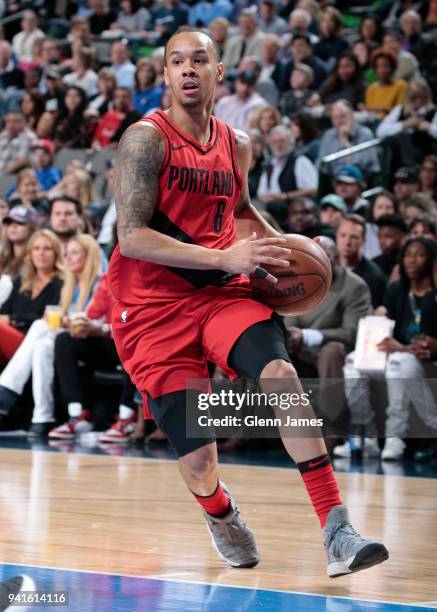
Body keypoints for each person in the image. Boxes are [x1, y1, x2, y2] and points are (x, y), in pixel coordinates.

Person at [107, 27, 388, 576]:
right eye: (176, 62)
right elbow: (132, 237)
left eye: (199, 61)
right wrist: (225, 258)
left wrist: (283, 250)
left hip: (219, 294)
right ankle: (221, 514)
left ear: (218, 73)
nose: (188, 70)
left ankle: (338, 530)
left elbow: (239, 209)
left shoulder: (237, 144)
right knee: (199, 457)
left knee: (281, 374)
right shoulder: (146, 140)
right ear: (164, 75)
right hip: (149, 307)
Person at [337, 237, 436, 461]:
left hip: (421, 361)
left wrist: (401, 348)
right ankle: (366, 437)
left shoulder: (434, 295)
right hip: (397, 353)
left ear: (430, 260)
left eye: (419, 255)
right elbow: (384, 326)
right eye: (408, 254)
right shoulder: (396, 290)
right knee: (353, 363)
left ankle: (394, 437)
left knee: (398, 363)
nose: (412, 260)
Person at [0, 234, 102, 435]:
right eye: (68, 253)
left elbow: (90, 320)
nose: (70, 257)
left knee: (39, 325)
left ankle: (6, 388)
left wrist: (17, 319)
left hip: (83, 341)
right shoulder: (64, 285)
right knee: (40, 345)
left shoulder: (71, 283)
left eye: (75, 253)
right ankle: (42, 416)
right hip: (52, 339)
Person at [285, 236, 371, 431]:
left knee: (332, 352)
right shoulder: (298, 278)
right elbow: (289, 319)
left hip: (333, 352)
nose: (318, 261)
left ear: (335, 258)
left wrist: (305, 336)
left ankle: (330, 430)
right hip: (300, 352)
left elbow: (351, 332)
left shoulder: (355, 286)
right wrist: (290, 336)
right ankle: (245, 434)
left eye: (325, 256)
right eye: (313, 256)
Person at [52, 273, 137, 442]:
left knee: (130, 342)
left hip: (132, 341)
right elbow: (93, 314)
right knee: (64, 340)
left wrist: (103, 329)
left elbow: (136, 322)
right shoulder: (110, 277)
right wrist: (80, 324)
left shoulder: (147, 277)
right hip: (110, 342)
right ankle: (77, 414)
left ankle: (127, 416)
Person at [0, 229, 63, 368]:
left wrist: (12, 319)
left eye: (47, 248)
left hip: (34, 341)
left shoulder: (61, 284)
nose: (41, 253)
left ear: (56, 253)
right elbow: (4, 309)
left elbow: (46, 318)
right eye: (36, 248)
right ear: (30, 254)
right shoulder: (21, 281)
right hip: (9, 337)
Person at [376, 79, 437, 169]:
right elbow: (380, 132)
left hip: (425, 161)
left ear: (427, 97)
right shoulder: (399, 110)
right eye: (414, 97)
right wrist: (404, 124)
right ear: (408, 97)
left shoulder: (433, 112)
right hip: (398, 161)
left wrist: (429, 127)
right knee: (400, 137)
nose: (418, 101)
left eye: (422, 97)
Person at [317, 101, 381, 181]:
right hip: (334, 181)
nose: (339, 121)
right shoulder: (329, 135)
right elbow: (320, 164)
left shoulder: (365, 134)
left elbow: (357, 167)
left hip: (362, 180)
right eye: (335, 118)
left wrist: (344, 140)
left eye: (343, 116)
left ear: (352, 116)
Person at [336, 214, 387, 308]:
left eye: (354, 237)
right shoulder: (326, 269)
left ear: (364, 240)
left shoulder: (374, 277)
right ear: (336, 237)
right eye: (343, 235)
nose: (347, 242)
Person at [365, 50, 407, 117]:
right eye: (378, 66)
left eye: (386, 65)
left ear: (392, 67)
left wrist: (381, 109)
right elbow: (369, 111)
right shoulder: (371, 88)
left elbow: (400, 111)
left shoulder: (401, 85)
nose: (382, 70)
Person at [0, 206, 37, 279]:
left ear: (31, 228)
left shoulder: (36, 259)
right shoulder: (2, 256)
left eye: (20, 222)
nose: (13, 226)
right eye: (10, 222)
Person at [363, 190, 399, 260]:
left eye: (389, 207)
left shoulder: (400, 231)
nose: (384, 211)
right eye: (380, 207)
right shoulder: (364, 230)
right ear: (372, 210)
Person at [373, 213, 407, 279]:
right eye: (379, 237)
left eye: (388, 237)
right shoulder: (375, 264)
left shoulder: (408, 263)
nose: (382, 242)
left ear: (402, 237)